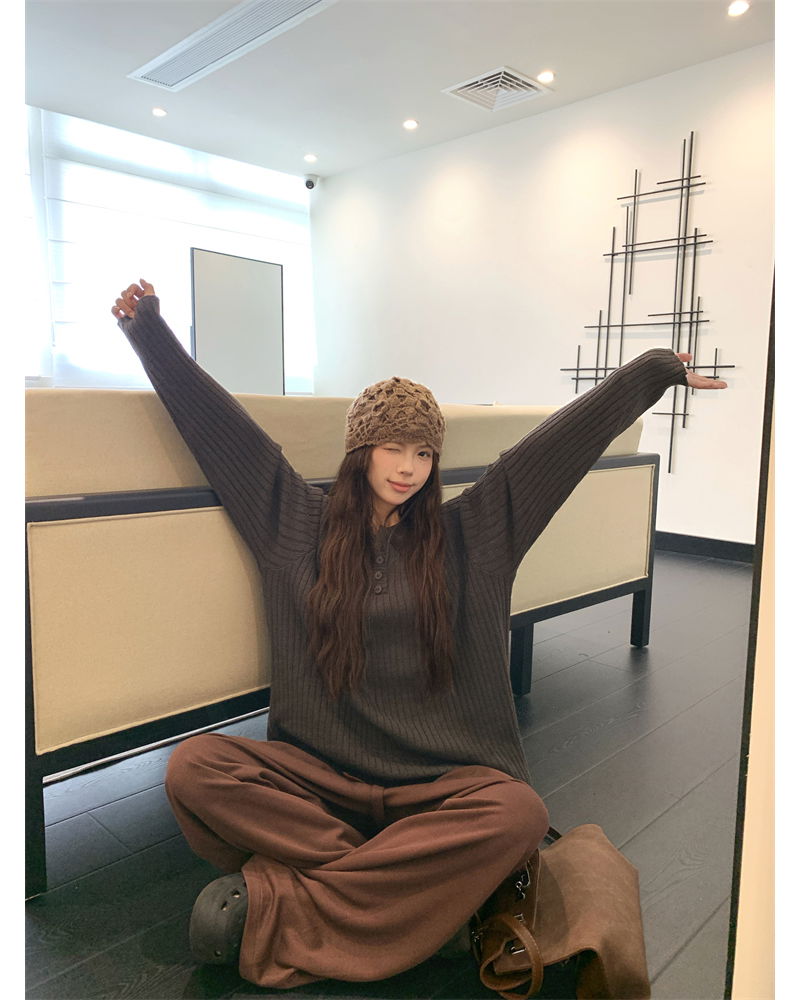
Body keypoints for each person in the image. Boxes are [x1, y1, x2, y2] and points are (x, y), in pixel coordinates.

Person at [110, 279, 727, 990]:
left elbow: (559, 448)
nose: (409, 468)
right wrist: (149, 333)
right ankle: (429, 898)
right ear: (360, 451)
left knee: (517, 813)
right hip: (322, 788)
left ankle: (292, 902)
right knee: (194, 767)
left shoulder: (476, 536)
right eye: (392, 448)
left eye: (424, 453)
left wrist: (653, 372)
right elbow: (225, 437)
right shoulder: (294, 526)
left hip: (440, 790)